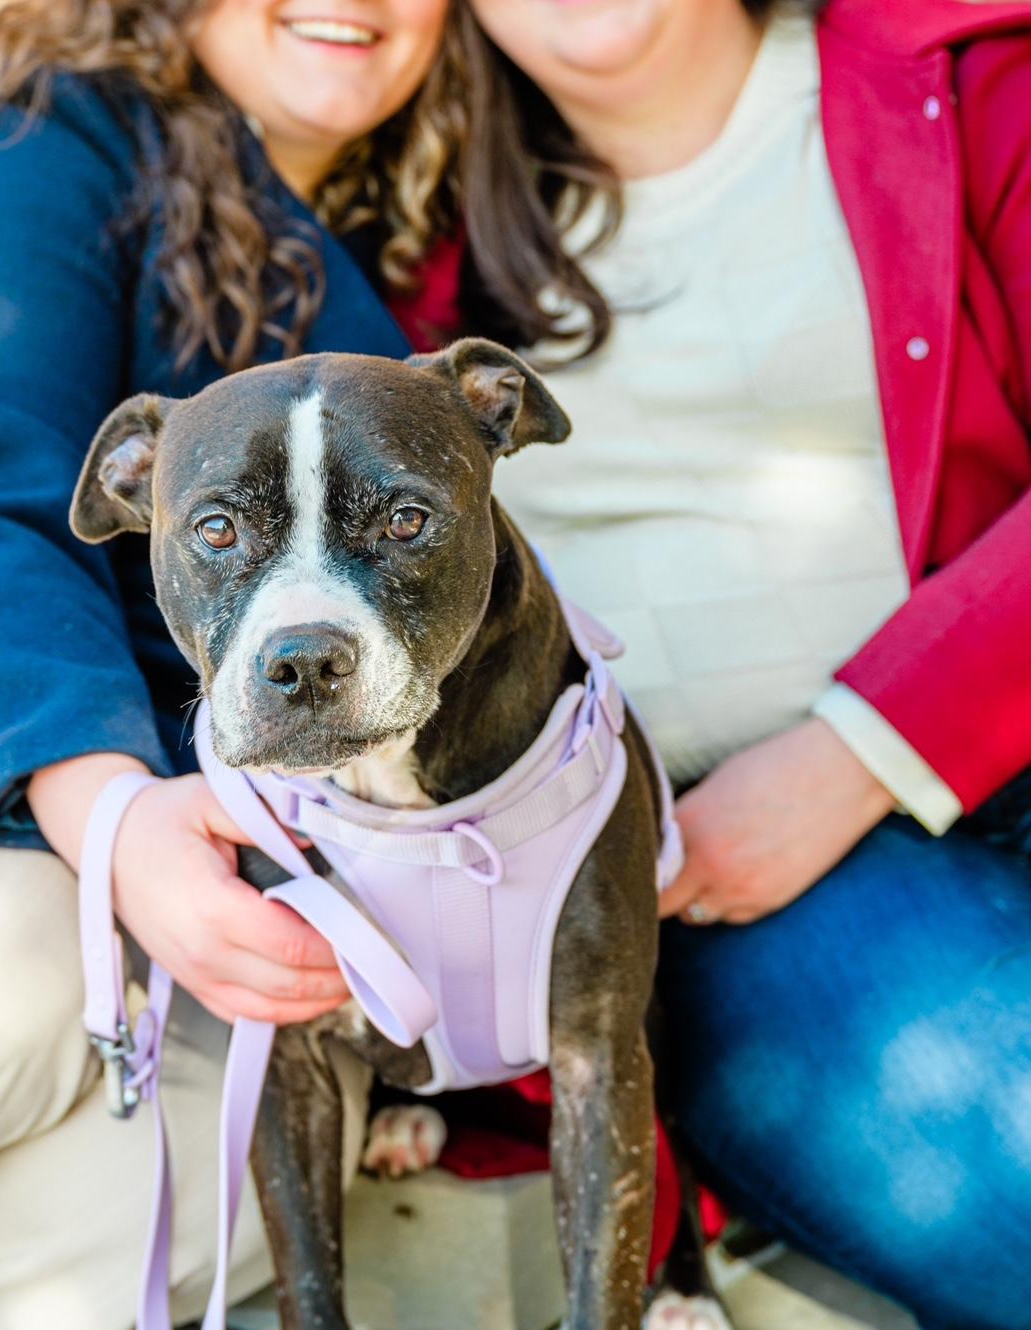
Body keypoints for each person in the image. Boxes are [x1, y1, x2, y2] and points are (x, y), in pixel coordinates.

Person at [0, 3, 460, 1326]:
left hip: (147, 783)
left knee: (201, 1167)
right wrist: (109, 812)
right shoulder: (20, 148)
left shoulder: (371, 243)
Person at [418, 0, 1031, 1325]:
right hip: (713, 884)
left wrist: (862, 748)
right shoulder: (415, 213)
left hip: (957, 750)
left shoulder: (961, 87)